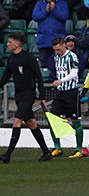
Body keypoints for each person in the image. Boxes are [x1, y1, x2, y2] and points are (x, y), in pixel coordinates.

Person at [0, 33, 52, 163]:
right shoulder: (11, 59)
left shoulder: (28, 57)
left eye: (10, 42)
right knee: (31, 123)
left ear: (17, 43)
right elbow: (5, 77)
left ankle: (7, 154)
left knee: (17, 121)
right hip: (18, 95)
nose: (8, 44)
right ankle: (46, 152)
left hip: (28, 95)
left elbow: (38, 76)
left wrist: (42, 95)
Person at [49, 37, 84, 159]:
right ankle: (57, 147)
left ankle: (79, 149)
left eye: (59, 49)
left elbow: (75, 73)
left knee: (76, 122)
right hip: (60, 93)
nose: (57, 52)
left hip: (71, 93)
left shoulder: (72, 57)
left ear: (64, 45)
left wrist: (61, 80)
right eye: (55, 50)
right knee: (53, 120)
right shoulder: (56, 56)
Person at [32, 0, 69, 68]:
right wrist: (46, 11)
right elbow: (35, 17)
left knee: (59, 65)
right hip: (43, 41)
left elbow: (65, 16)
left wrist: (54, 10)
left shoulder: (62, 3)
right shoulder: (39, 4)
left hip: (58, 41)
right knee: (45, 66)